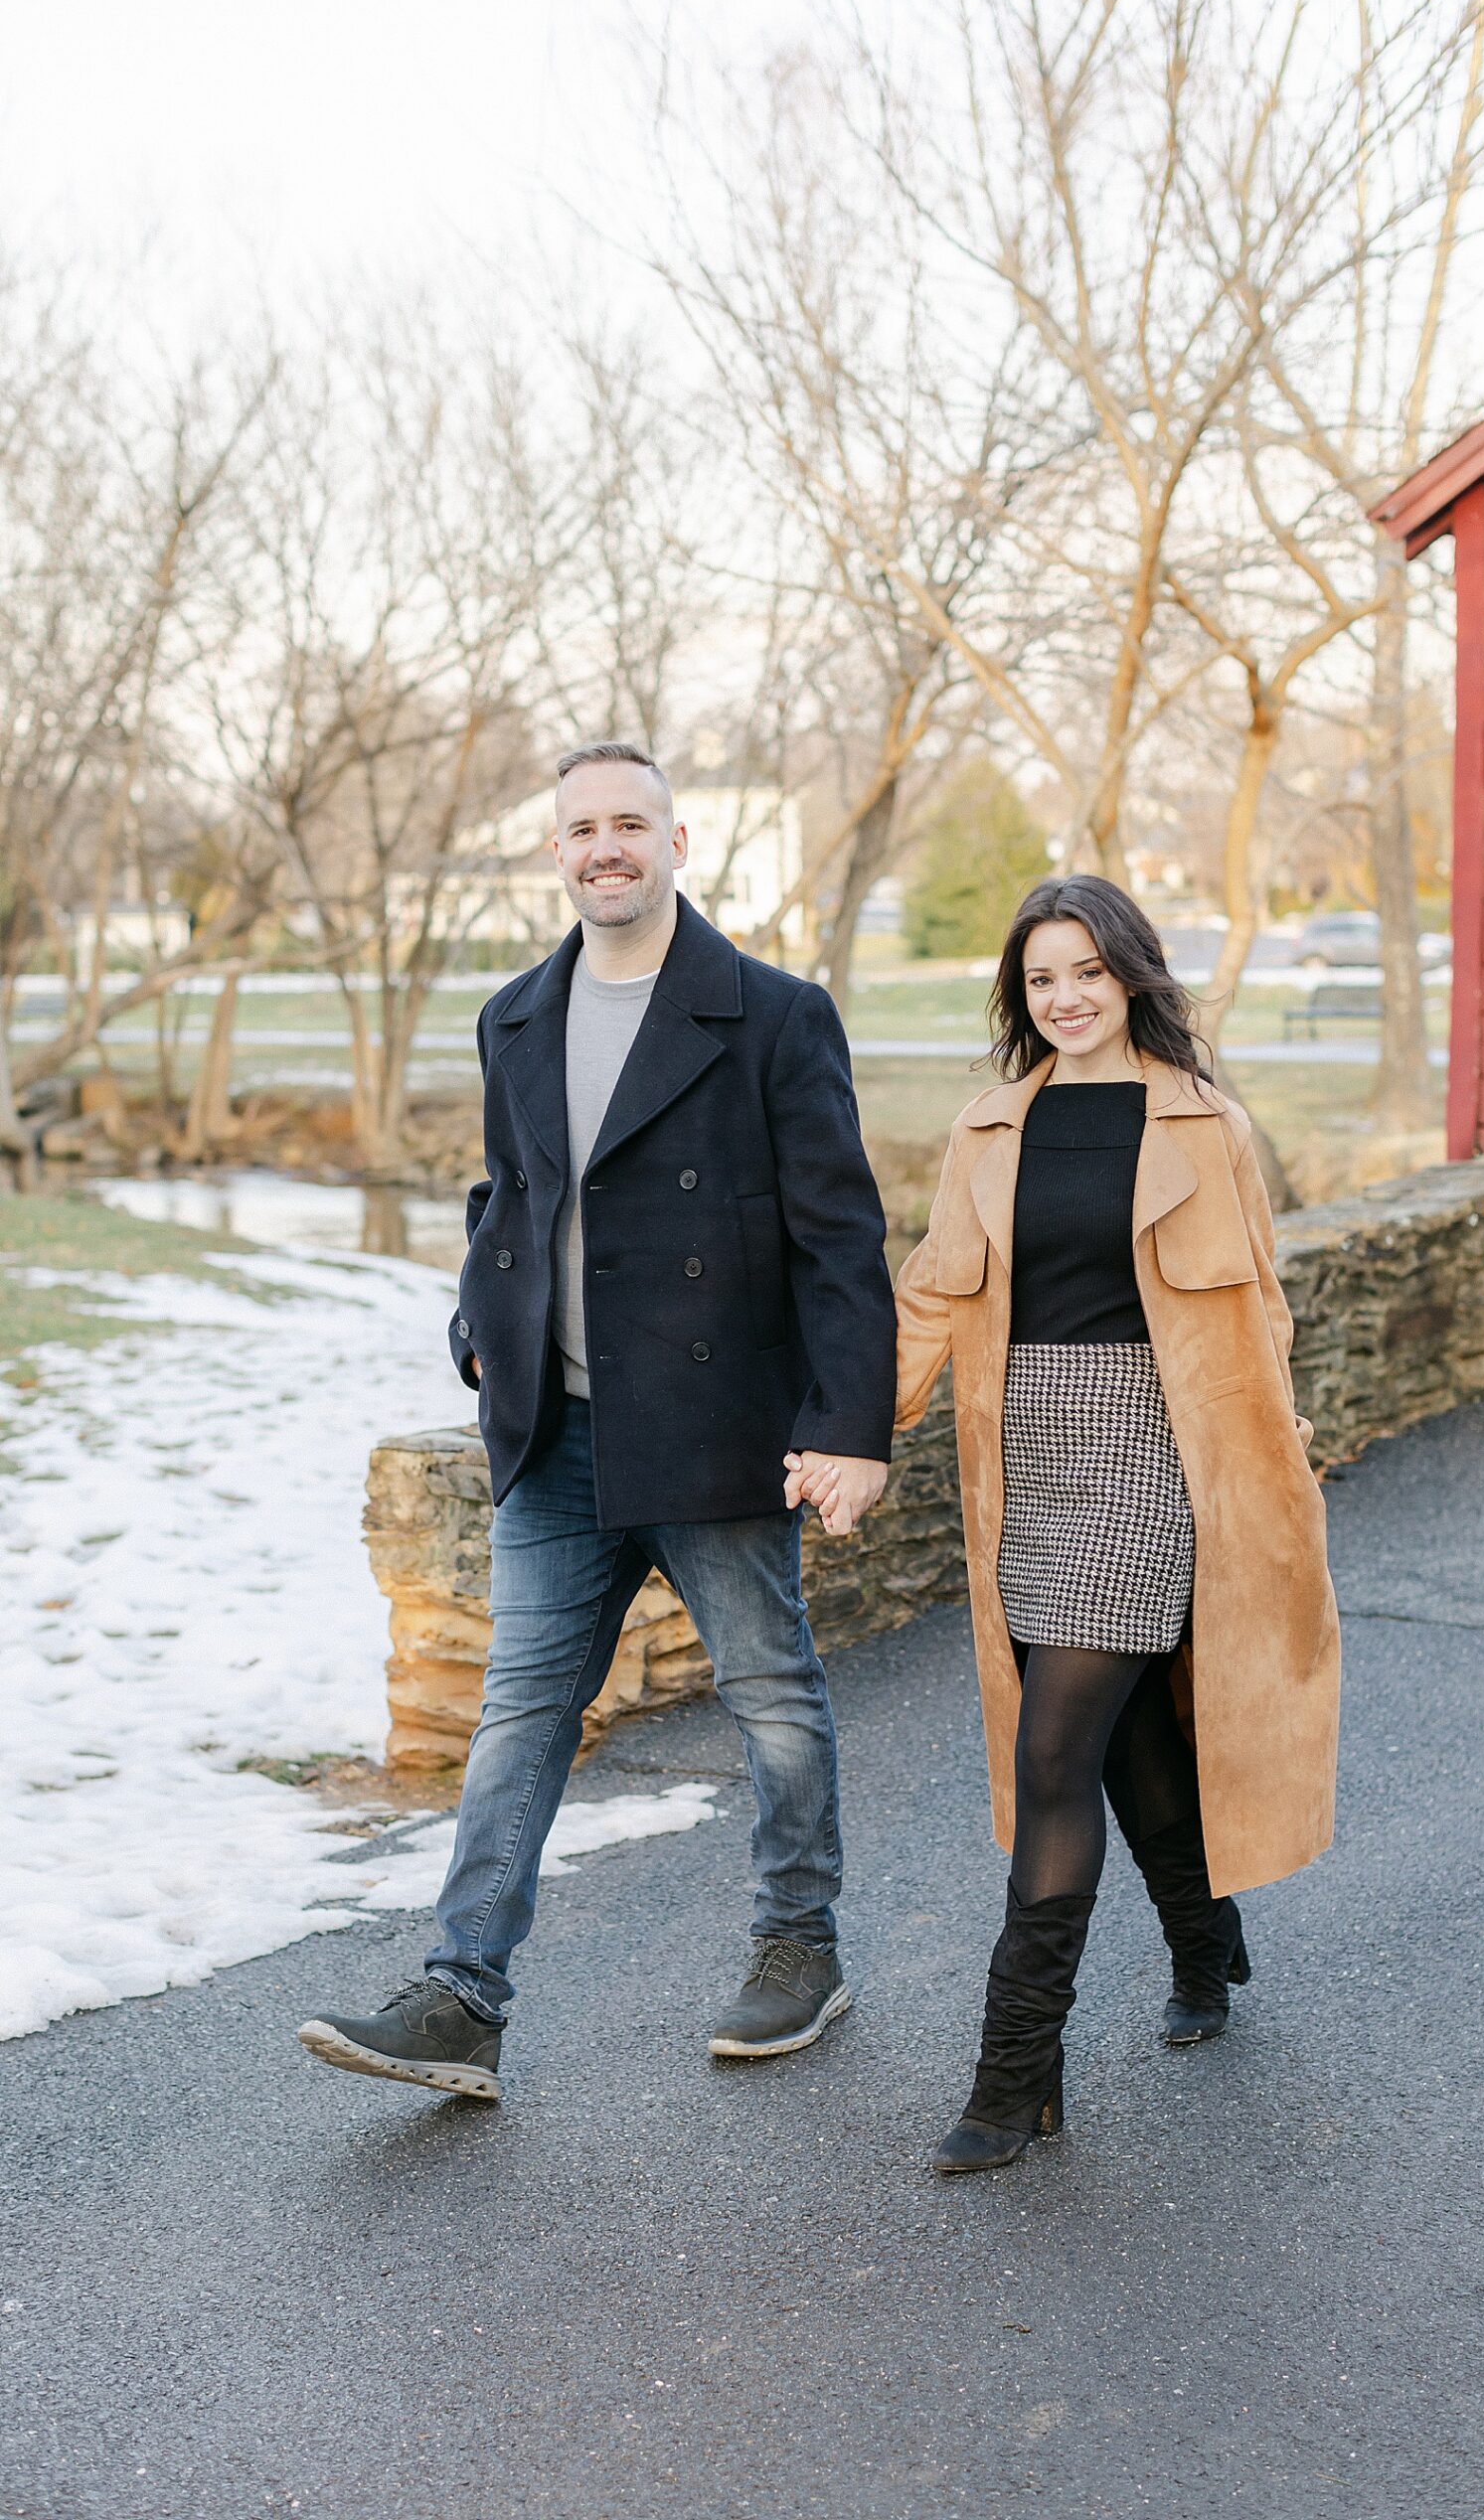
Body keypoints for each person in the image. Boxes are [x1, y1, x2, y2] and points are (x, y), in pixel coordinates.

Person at [299, 742, 894, 2101]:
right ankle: (462, 1997)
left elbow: (842, 1240)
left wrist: (848, 1424)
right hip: (554, 1436)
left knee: (772, 1697)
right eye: (580, 829)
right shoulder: (515, 1017)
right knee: (519, 1711)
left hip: (717, 1430)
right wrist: (477, 1328)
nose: (604, 848)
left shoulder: (774, 1016)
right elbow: (505, 1197)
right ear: (556, 852)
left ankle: (800, 1945)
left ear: (679, 843)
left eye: (631, 824)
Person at [800, 875, 1337, 2172]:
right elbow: (929, 1298)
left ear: (1132, 974)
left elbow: (1257, 1309)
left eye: (1088, 971)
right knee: (1128, 1740)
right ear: (1020, 997)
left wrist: (1275, 1468)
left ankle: (1013, 2076)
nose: (1067, 997)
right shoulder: (991, 1128)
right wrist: (855, 1434)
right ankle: (1205, 1941)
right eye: (1043, 979)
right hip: (1025, 1457)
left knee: (1053, 1758)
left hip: (1158, 1454)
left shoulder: (1205, 1125)